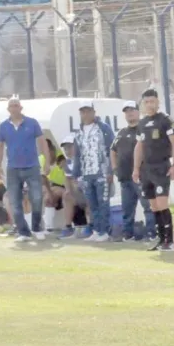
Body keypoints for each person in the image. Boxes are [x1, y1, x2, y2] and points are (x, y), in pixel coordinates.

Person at [0, 96, 50, 242]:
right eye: (11, 106)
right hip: (12, 167)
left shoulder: (32, 123)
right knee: (14, 200)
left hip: (32, 165)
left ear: (21, 108)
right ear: (8, 109)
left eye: (16, 105)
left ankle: (37, 228)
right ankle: (23, 232)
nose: (14, 108)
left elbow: (42, 142)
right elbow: (0, 146)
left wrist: (47, 161)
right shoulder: (3, 126)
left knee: (37, 198)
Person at [133, 89, 174, 251]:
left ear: (158, 102)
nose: (149, 105)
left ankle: (170, 240)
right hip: (146, 169)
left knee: (162, 203)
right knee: (153, 206)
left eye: (152, 101)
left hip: (161, 167)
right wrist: (136, 169)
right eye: (146, 102)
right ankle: (161, 239)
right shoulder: (142, 123)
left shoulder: (165, 120)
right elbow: (139, 147)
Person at [70, 102, 115, 242]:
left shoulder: (104, 128)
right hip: (86, 174)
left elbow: (112, 150)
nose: (85, 114)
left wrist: (111, 171)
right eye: (82, 112)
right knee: (92, 204)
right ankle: (96, 230)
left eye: (88, 111)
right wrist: (76, 174)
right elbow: (77, 155)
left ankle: (104, 231)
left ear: (94, 112)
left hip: (102, 172)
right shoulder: (79, 133)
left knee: (103, 203)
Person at [112, 101, 155, 241]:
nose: (129, 113)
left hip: (142, 176)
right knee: (127, 209)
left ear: (138, 111)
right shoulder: (121, 133)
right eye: (127, 111)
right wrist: (114, 168)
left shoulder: (144, 129)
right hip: (124, 177)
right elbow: (112, 150)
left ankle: (151, 234)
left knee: (147, 206)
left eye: (132, 110)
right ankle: (127, 235)